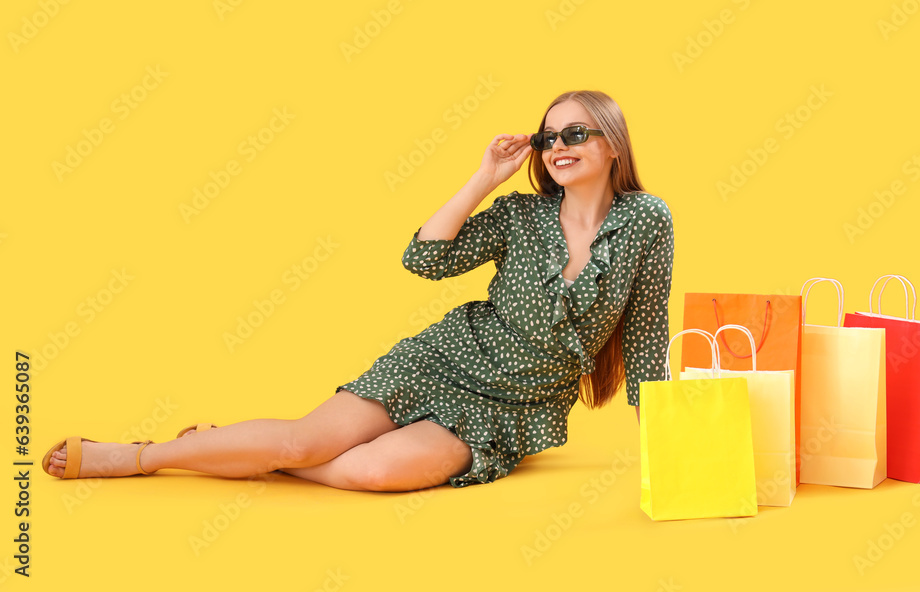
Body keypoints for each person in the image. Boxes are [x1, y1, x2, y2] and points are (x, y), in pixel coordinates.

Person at [43, 90, 674, 491]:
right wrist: (484, 177)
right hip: (445, 360)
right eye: (548, 138)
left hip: (513, 404)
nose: (558, 148)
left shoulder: (647, 218)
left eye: (575, 134)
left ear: (612, 143)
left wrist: (667, 438)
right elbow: (423, 259)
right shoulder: (519, 216)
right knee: (303, 442)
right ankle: (139, 456)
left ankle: (220, 445)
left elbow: (646, 332)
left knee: (373, 470)